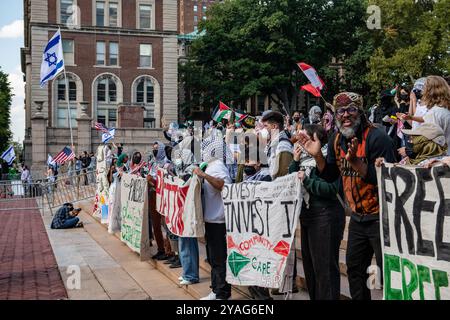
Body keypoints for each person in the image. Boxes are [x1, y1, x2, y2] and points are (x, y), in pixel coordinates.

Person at [297, 92, 397, 300]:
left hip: (382, 218)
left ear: (360, 112)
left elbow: (389, 182)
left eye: (351, 110)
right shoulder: (336, 139)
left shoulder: (379, 139)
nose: (345, 115)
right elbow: (331, 175)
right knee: (355, 271)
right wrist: (317, 156)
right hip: (358, 219)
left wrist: (356, 163)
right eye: (340, 111)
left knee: (388, 275)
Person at [289, 124, 345, 300]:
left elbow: (330, 189)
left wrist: (307, 180)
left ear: (316, 139)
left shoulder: (328, 158)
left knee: (325, 269)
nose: (300, 140)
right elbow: (292, 182)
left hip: (325, 215)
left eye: (305, 137)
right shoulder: (303, 159)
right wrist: (295, 161)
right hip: (307, 216)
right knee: (311, 268)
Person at [195, 133, 232, 300]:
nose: (202, 151)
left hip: (219, 220)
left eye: (205, 148)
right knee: (213, 258)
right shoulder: (210, 166)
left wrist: (203, 176)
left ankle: (222, 293)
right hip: (211, 219)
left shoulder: (218, 167)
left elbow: (224, 186)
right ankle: (216, 289)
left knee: (218, 258)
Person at [421, 76, 450, 155]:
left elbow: (432, 145)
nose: (422, 92)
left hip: (440, 161)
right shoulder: (445, 110)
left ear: (429, 91)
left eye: (424, 88)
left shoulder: (433, 113)